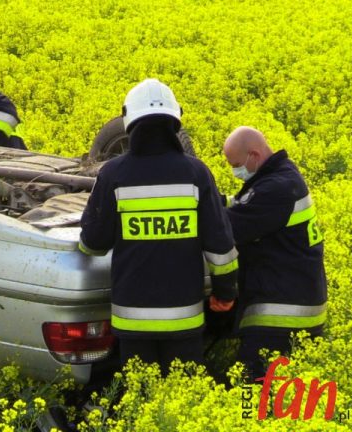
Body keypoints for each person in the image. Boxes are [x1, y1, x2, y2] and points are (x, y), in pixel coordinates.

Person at [79, 78, 239, 374]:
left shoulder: (114, 173)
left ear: (129, 120)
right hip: (186, 321)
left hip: (132, 322)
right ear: (174, 121)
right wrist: (225, 293)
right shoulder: (196, 173)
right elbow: (221, 248)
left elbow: (93, 243)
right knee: (184, 400)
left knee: (140, 401)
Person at [222, 126, 327, 379]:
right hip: (296, 304)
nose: (236, 172)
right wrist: (210, 199)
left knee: (252, 391)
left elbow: (228, 228)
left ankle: (251, 418)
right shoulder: (282, 177)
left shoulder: (276, 188)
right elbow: (243, 206)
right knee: (280, 397)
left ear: (254, 155)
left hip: (281, 315)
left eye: (237, 164)